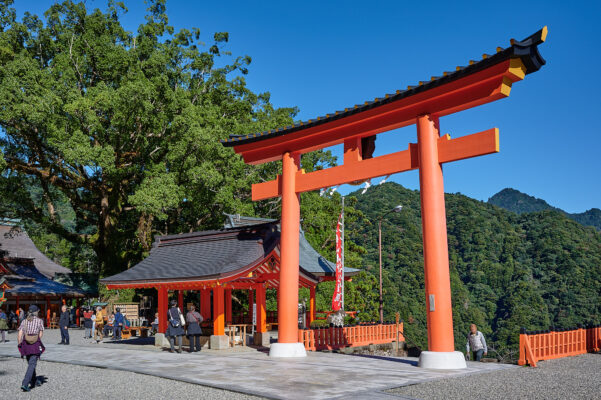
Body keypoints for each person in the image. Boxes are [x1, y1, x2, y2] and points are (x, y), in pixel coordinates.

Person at [17, 305, 45, 392]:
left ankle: (34, 380)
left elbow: (20, 334)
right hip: (35, 344)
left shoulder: (24, 321)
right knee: (32, 364)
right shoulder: (39, 321)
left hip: (26, 343)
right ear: (36, 312)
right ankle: (25, 383)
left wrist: (19, 344)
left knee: (30, 363)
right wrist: (37, 340)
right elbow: (40, 333)